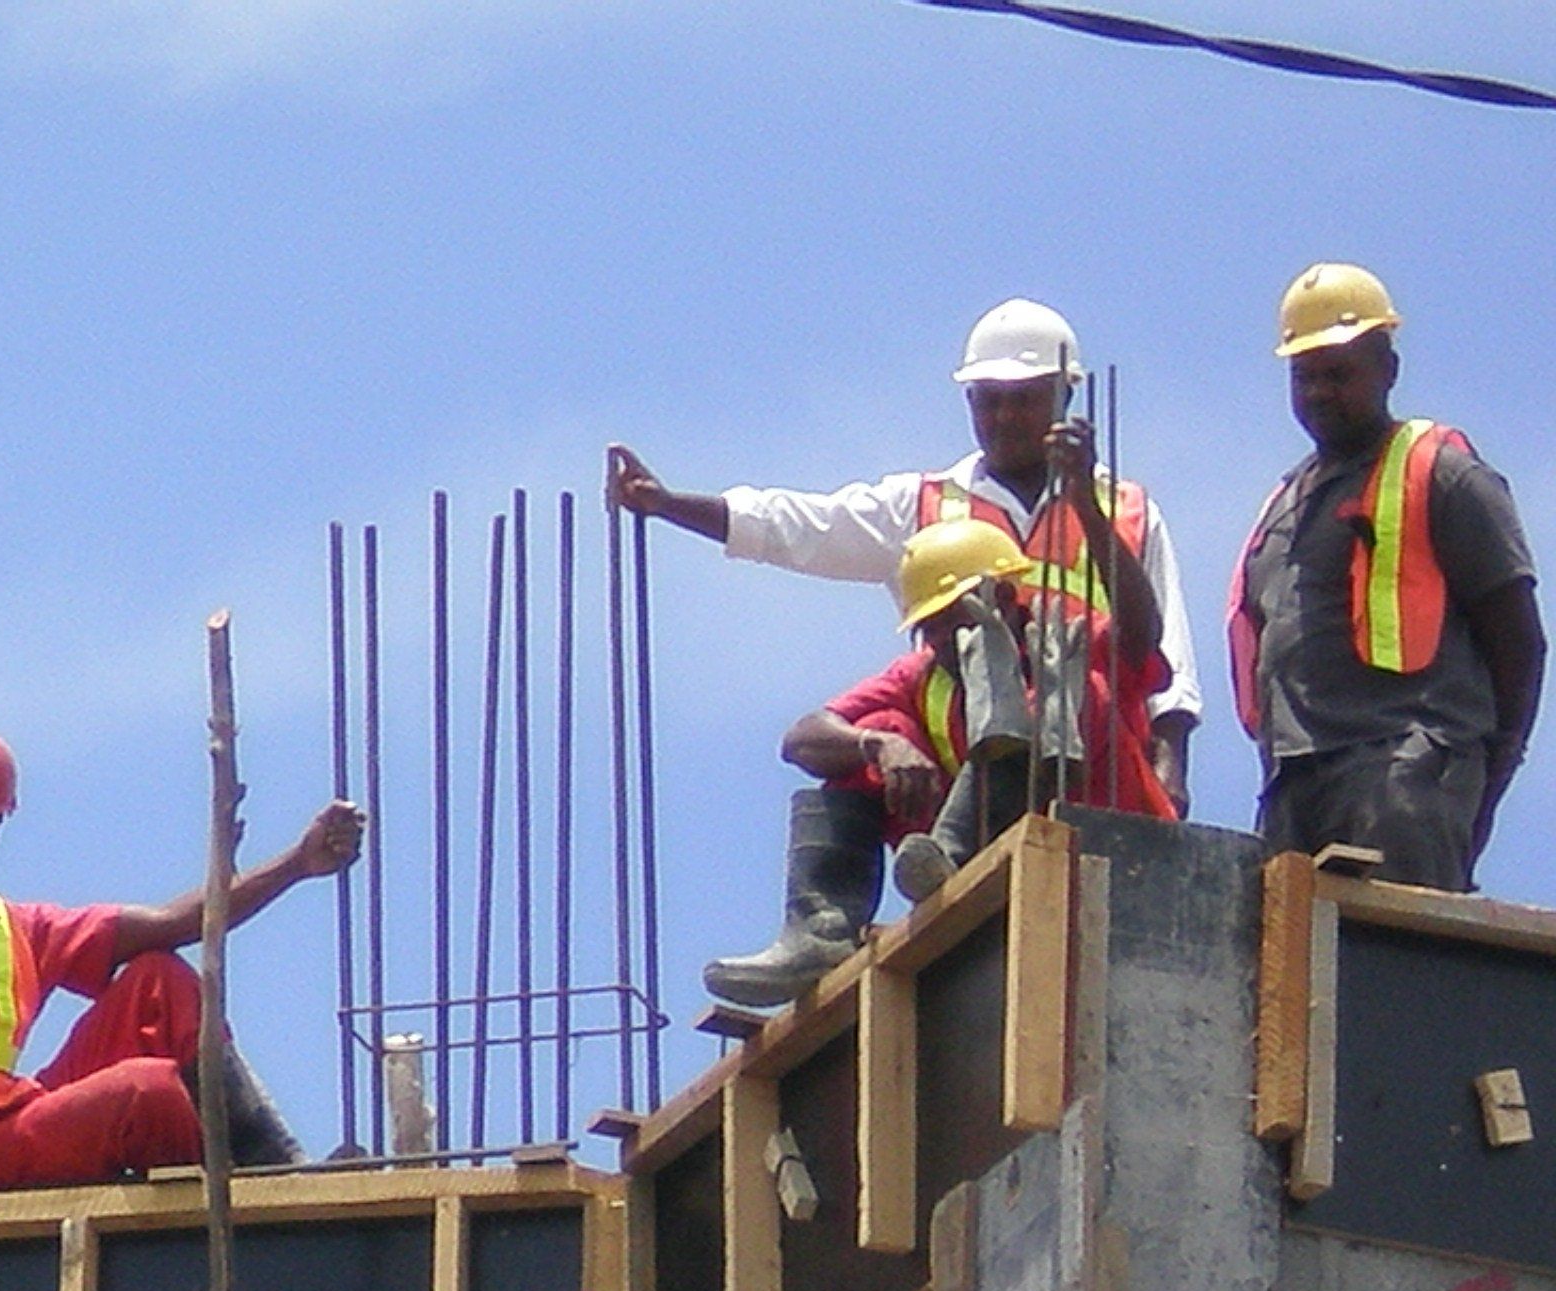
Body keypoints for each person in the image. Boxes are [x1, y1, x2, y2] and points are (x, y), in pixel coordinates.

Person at [609, 297, 1204, 810]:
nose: (1003, 417)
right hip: (976, 758)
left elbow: (1165, 649)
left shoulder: (1122, 506)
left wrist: (1171, 763)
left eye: (1023, 399)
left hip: (1098, 758)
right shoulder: (921, 504)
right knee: (872, 736)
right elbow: (803, 528)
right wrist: (667, 505)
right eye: (987, 399)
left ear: (1065, 394)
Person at [0, 722, 361, 1235]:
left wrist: (296, 864)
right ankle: (196, 1238)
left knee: (159, 978)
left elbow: (172, 923)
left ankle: (278, 1172)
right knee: (149, 1091)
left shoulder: (11, 928)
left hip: (7, 1134)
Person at [710, 512, 1171, 1006]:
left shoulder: (1067, 644)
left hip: (1124, 859)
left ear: (1006, 598)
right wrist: (876, 745)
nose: (942, 641)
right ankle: (821, 934)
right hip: (1003, 858)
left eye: (954, 619)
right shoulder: (926, 675)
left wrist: (1081, 494)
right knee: (880, 730)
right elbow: (802, 738)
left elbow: (1141, 631)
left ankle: (953, 856)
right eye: (930, 628)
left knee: (1077, 690)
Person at [1227, 263, 1544, 893]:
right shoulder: (1283, 503)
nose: (1319, 392)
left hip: (1403, 768)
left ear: (1387, 371)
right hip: (1292, 784)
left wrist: (1488, 772)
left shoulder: (1442, 475)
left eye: (1338, 373)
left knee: (1395, 966)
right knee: (1289, 976)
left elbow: (1518, 640)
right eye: (1304, 376)